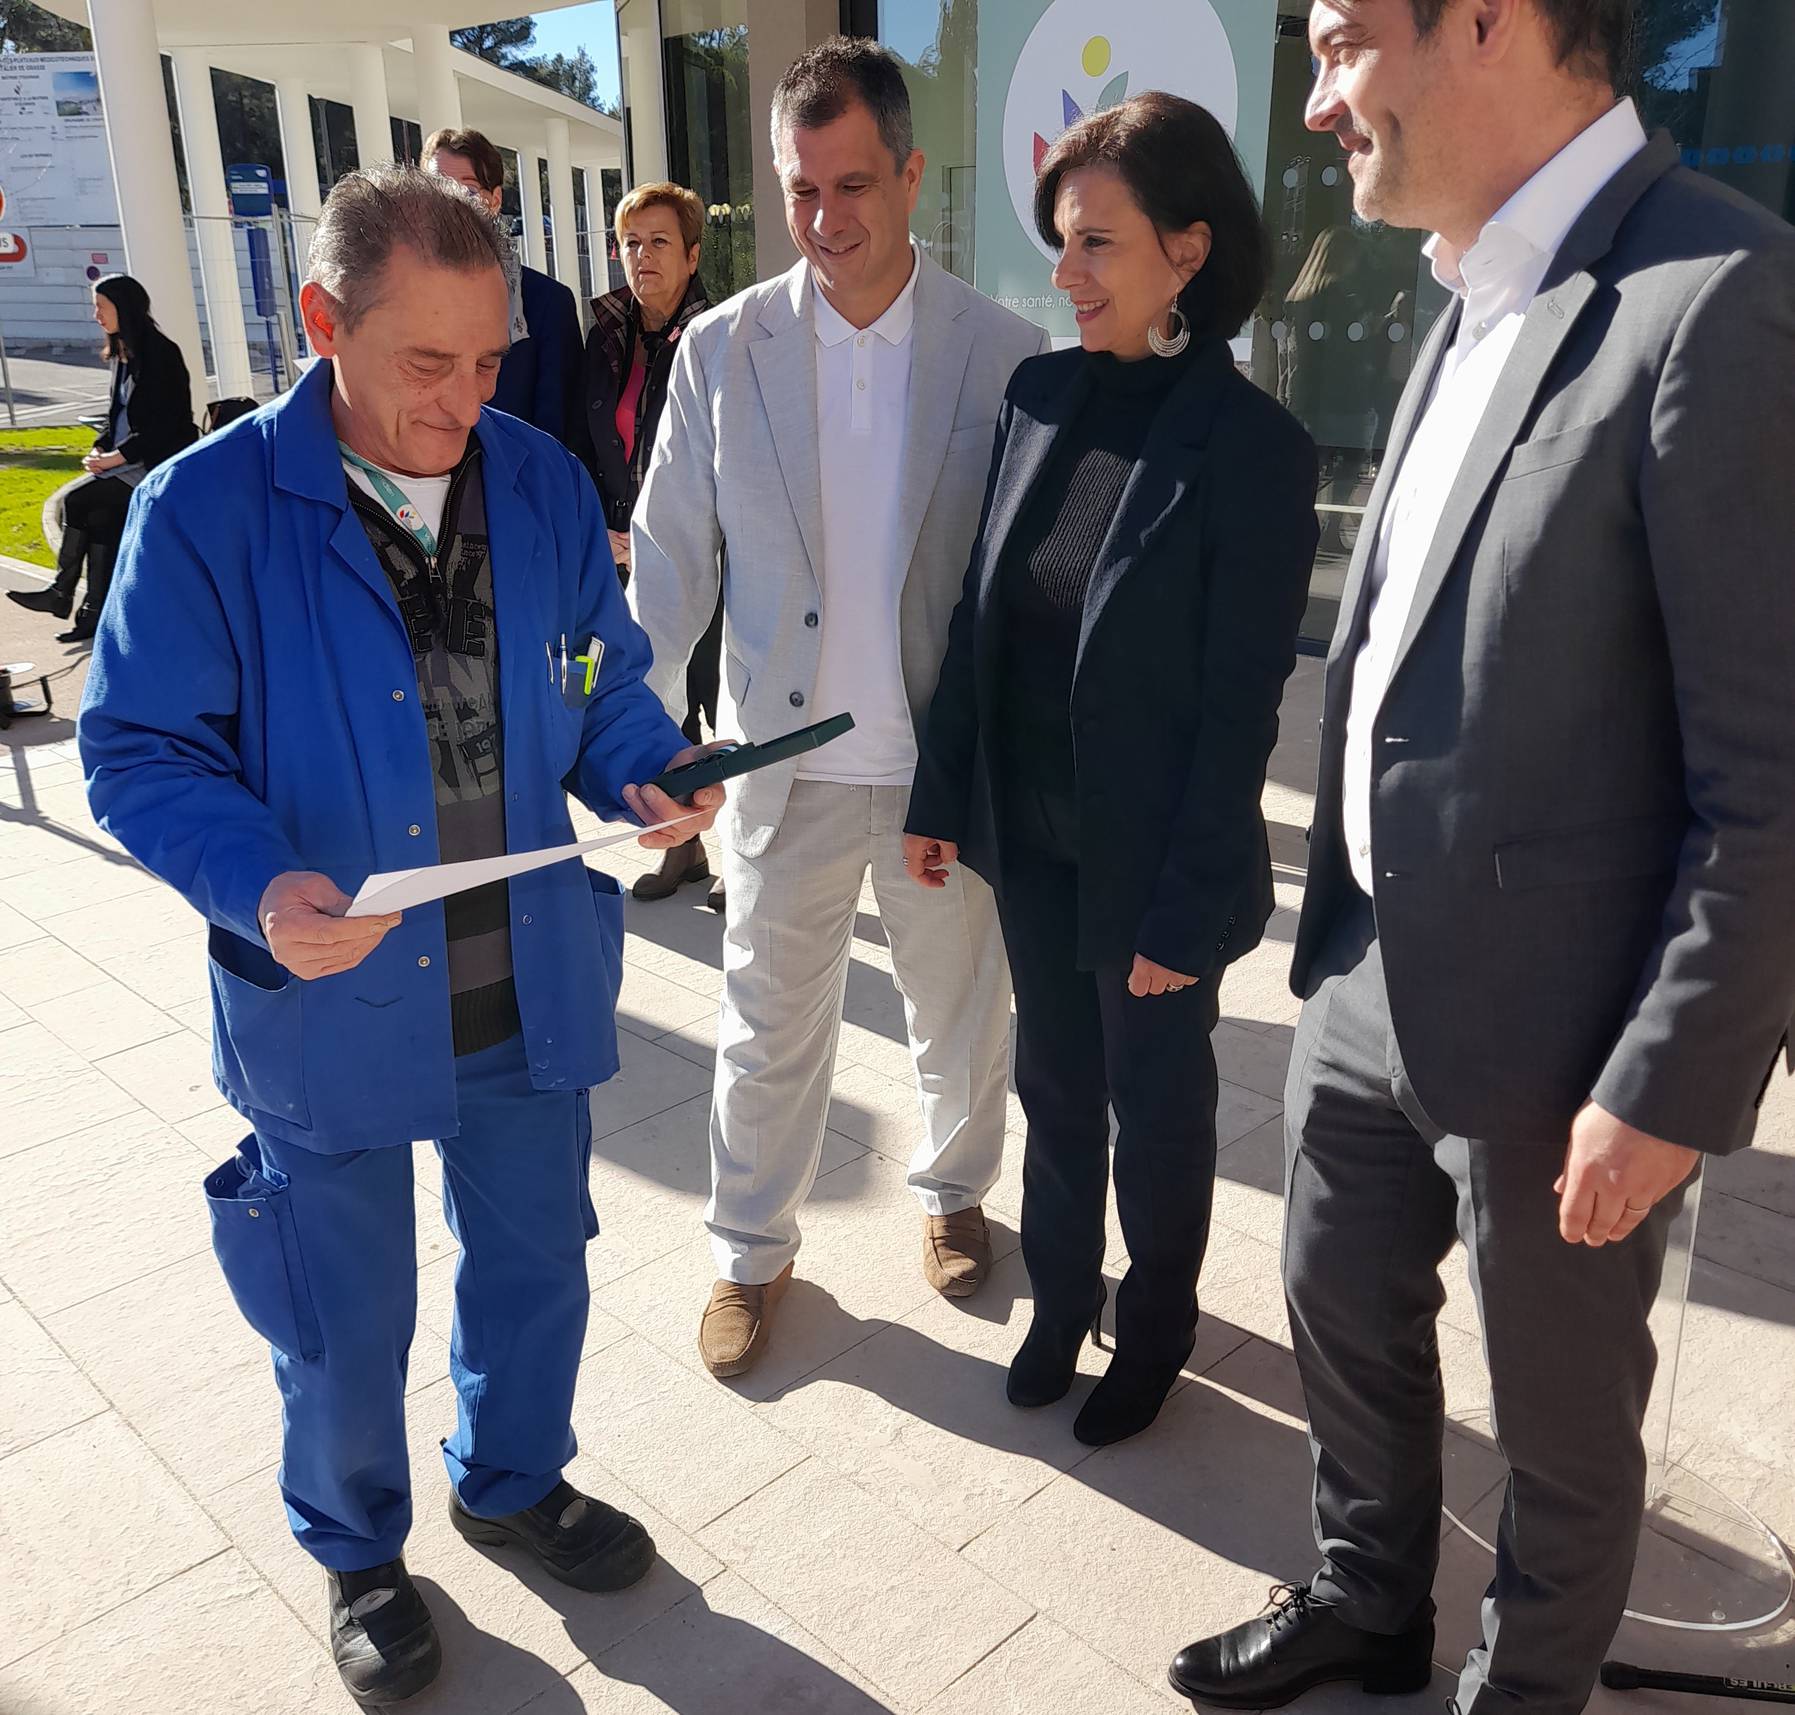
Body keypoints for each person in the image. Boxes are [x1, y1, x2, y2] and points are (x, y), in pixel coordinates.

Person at [1171, 1, 1795, 1710]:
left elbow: (1775, 768)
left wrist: (1668, 1082)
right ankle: (1372, 1597)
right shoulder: (1463, 283)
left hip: (1571, 1032)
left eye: (1345, 42)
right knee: (1334, 1301)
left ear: (1492, 25)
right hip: (1373, 958)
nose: (1317, 101)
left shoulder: (1721, 293)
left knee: (1560, 1426)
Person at [78, 167, 724, 1709]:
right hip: (330, 997)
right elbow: (143, 748)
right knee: (340, 1306)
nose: (463, 401)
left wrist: (640, 756)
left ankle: (510, 1477)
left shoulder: (546, 484)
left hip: (526, 983)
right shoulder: (207, 508)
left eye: (489, 359)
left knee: (531, 1261)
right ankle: (361, 1544)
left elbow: (593, 664)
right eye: (423, 364)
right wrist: (255, 881)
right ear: (320, 322)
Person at [630, 37, 1049, 1380]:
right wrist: (645, 738)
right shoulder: (720, 348)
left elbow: (1023, 580)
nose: (826, 219)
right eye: (800, 191)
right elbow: (668, 558)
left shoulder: (1001, 353)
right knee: (766, 1016)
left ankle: (951, 1189)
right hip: (781, 763)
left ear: (912, 176)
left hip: (938, 765)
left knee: (957, 1004)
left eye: (852, 184)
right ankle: (749, 1249)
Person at [905, 93, 1318, 1447]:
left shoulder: (1253, 453)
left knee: (1156, 1103)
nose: (1061, 273)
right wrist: (939, 795)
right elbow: (982, 611)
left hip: (1152, 863)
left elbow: (1235, 709)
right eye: (1056, 243)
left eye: (1093, 244)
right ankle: (1058, 1292)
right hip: (1029, 834)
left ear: (1186, 251)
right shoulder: (1039, 393)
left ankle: (1154, 1325)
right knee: (1054, 1085)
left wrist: (1185, 906)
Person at [578, 181, 724, 908]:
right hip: (619, 545)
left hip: (706, 552)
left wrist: (661, 532)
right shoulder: (605, 334)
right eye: (631, 242)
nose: (642, 256)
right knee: (650, 696)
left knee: (715, 698)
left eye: (659, 242)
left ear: (693, 255)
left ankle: (742, 855)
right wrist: (604, 531)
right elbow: (586, 437)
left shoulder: (722, 335)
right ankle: (684, 844)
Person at [9, 274, 195, 642]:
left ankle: (62, 593)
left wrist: (114, 458)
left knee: (77, 502)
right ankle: (92, 613)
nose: (96, 315)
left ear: (124, 308)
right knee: (100, 520)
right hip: (125, 461)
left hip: (154, 465)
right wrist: (99, 448)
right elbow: (117, 418)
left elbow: (167, 426)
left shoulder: (160, 354)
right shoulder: (123, 354)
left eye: (101, 307)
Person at [424, 125, 583, 450]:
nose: (450, 205)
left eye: (466, 190)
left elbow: (557, 438)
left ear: (495, 200)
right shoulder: (401, 299)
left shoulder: (547, 304)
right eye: (437, 189)